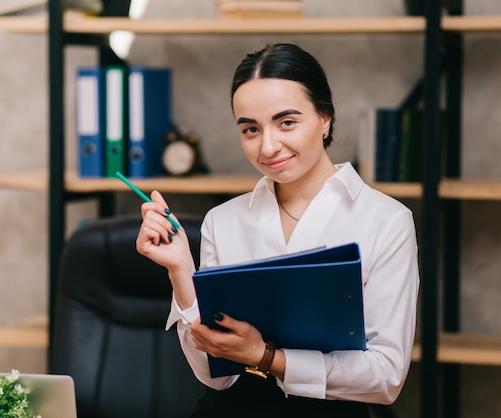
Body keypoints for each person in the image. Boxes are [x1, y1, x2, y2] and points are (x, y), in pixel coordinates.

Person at [136, 43, 419, 417]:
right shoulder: (222, 221)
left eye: (287, 122)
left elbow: (386, 379)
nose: (268, 146)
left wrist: (267, 357)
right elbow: (216, 378)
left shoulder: (385, 221)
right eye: (251, 129)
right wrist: (180, 270)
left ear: (325, 118)